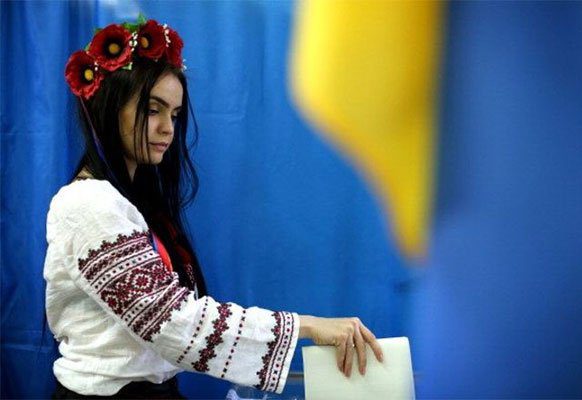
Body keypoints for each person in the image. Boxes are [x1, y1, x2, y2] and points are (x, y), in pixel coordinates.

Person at [44, 16, 384, 399]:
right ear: (109, 107)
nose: (168, 128)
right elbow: (171, 321)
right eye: (153, 110)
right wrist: (305, 325)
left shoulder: (129, 204)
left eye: (174, 114)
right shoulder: (87, 203)